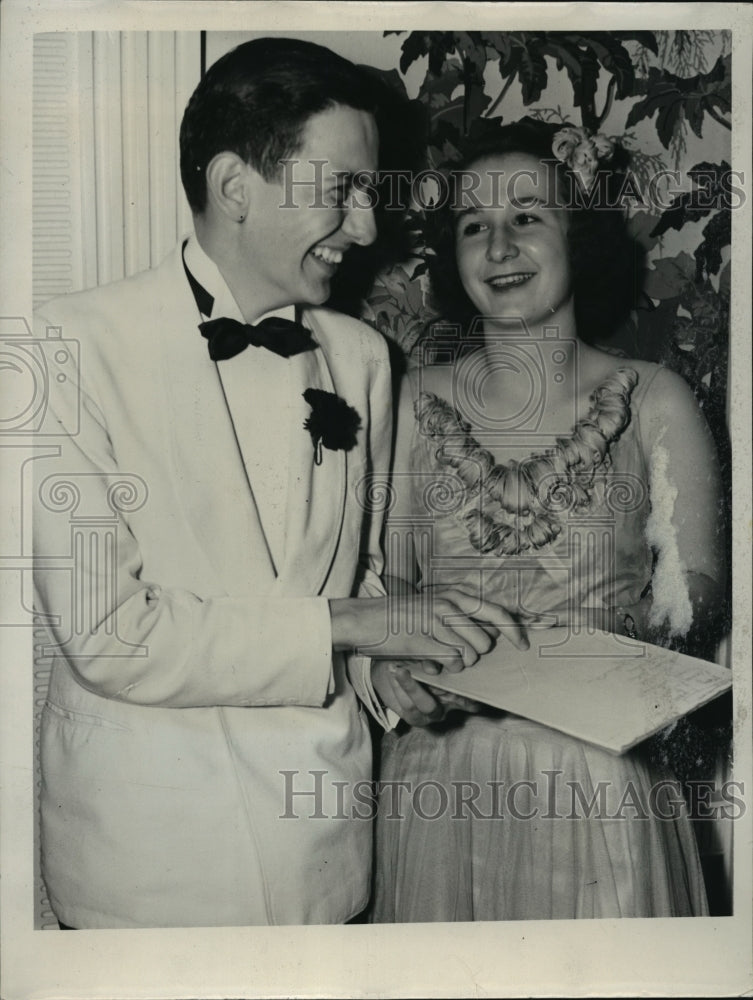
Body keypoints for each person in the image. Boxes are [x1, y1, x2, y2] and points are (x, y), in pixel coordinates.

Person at [31, 38, 519, 929]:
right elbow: (109, 635)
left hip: (325, 865)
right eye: (343, 190)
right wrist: (353, 626)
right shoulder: (67, 348)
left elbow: (356, 582)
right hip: (140, 873)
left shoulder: (362, 358)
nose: (365, 228)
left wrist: (386, 671)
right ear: (234, 186)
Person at [370, 118, 727, 921]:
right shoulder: (410, 401)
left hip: (598, 769)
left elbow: (694, 590)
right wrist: (393, 661)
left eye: (527, 216)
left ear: (579, 237)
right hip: (441, 778)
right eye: (473, 225)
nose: (499, 247)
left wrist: (593, 652)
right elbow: (386, 585)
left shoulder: (652, 397)